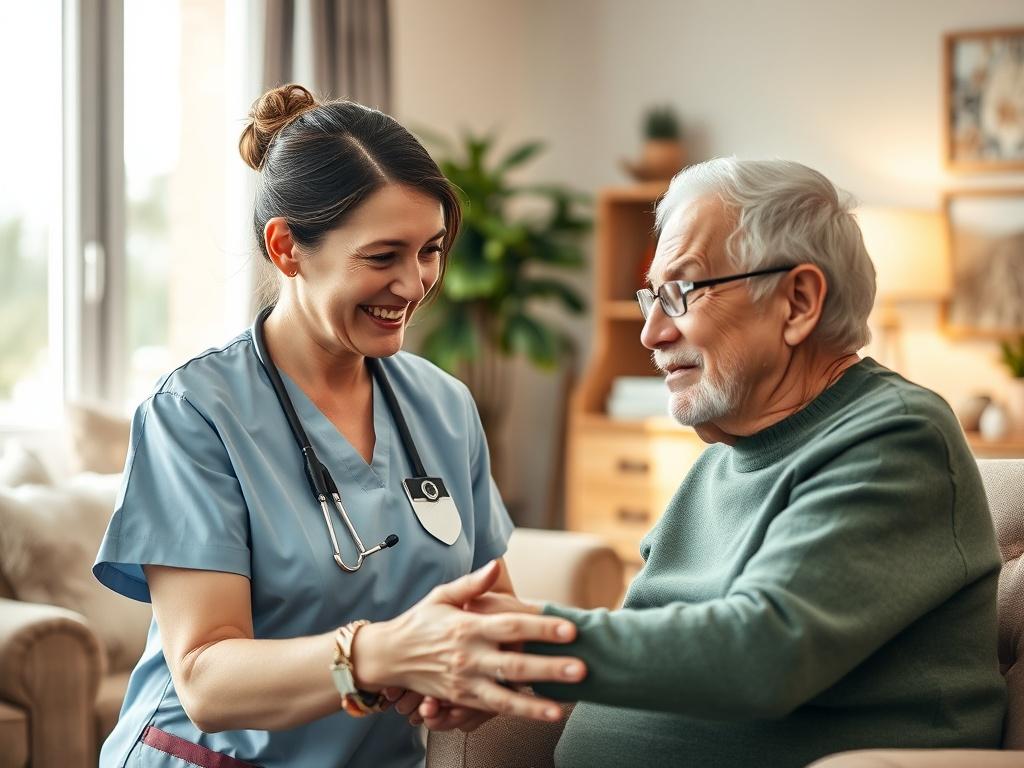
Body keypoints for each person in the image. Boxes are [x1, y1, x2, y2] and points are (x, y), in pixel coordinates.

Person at [435, 158, 1007, 767]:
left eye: (680, 292)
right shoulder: (722, 460)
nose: (651, 332)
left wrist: (520, 640)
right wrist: (499, 668)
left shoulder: (897, 436)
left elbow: (765, 655)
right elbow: (659, 651)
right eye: (651, 296)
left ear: (798, 301)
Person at [92, 84, 585, 768]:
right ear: (288, 247)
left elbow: (487, 608)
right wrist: (381, 655)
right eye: (383, 257)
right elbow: (206, 677)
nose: (414, 285)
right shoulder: (195, 412)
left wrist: (485, 674)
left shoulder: (444, 407)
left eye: (430, 250)